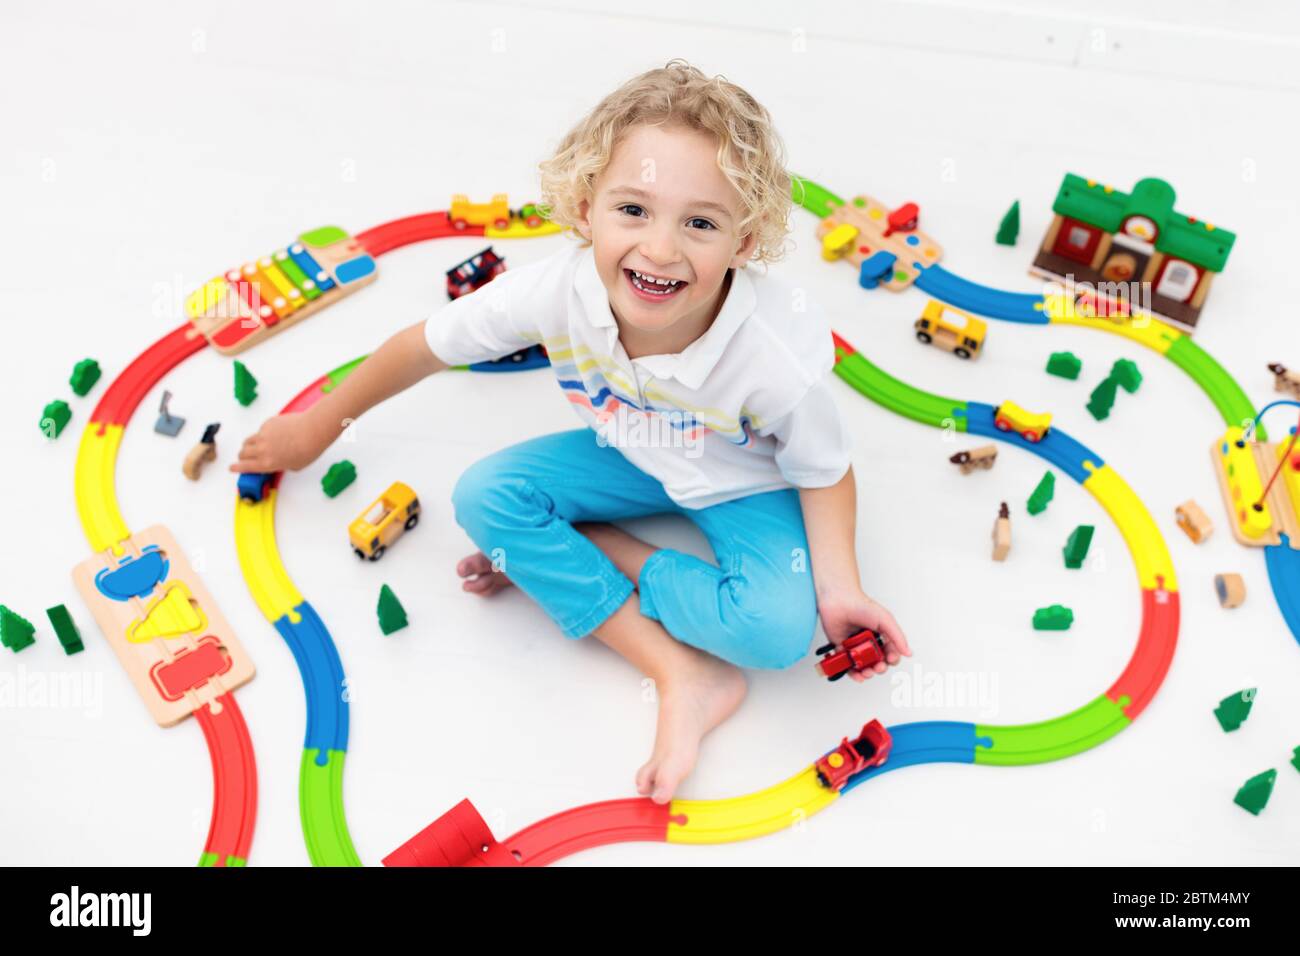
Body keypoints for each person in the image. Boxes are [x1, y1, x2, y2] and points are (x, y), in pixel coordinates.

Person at [232, 58, 910, 804]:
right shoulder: (553, 290)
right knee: (484, 496)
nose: (660, 248)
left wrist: (840, 588)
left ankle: (602, 548)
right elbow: (419, 347)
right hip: (631, 451)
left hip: (742, 483)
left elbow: (823, 469)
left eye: (701, 223)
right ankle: (678, 671)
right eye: (633, 211)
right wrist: (319, 428)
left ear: (744, 244)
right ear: (586, 208)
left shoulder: (776, 357)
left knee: (776, 635)